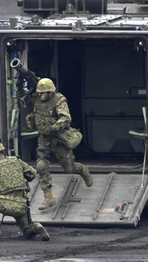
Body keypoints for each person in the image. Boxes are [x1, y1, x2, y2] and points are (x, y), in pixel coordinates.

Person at [19, 78, 93, 210]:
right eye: (40, 93)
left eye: (44, 93)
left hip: (58, 140)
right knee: (41, 166)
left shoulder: (59, 100)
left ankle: (82, 170)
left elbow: (66, 118)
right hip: (44, 140)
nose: (41, 96)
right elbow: (21, 96)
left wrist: (54, 127)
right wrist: (19, 83)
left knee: (69, 169)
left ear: (51, 93)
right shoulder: (36, 98)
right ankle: (48, 197)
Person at [0, 139, 50, 241]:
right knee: (27, 231)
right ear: (3, 151)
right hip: (21, 203)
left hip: (3, 204)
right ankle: (37, 227)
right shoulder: (17, 161)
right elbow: (32, 174)